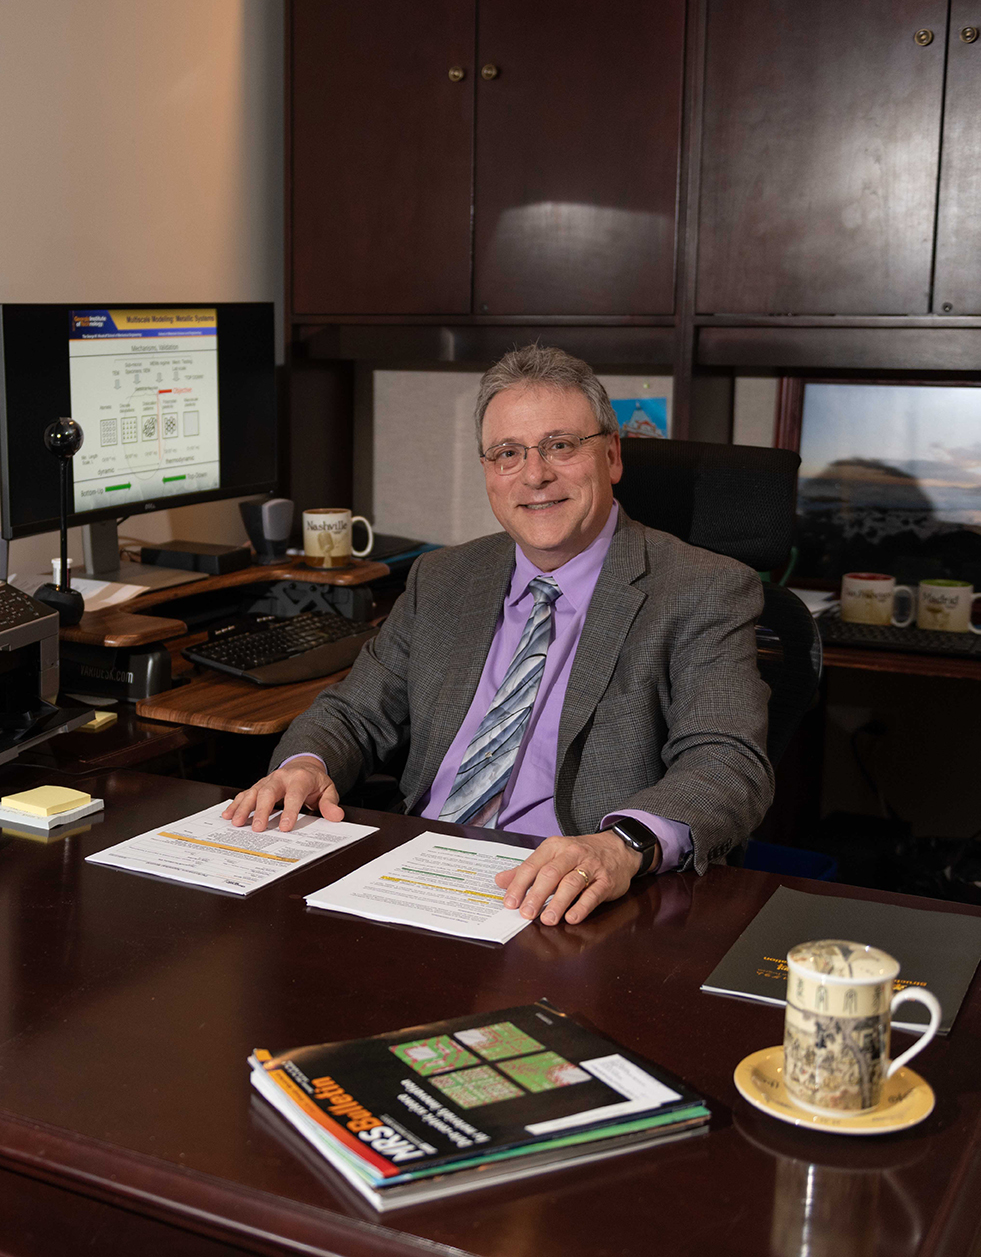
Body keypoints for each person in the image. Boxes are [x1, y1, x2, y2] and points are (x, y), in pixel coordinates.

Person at [224, 344, 773, 926]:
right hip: (415, 873)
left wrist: (621, 846)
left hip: (569, 899)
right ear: (488, 471)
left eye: (560, 446)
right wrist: (306, 766)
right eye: (508, 453)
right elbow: (352, 713)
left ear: (611, 455)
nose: (534, 475)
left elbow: (727, 761)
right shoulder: (445, 577)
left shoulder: (703, 588)